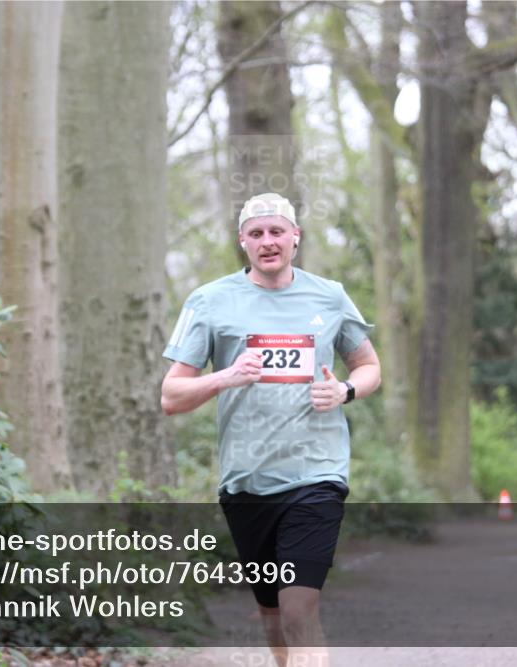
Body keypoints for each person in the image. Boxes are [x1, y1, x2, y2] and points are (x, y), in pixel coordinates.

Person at [160, 192, 381, 666]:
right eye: (256, 234)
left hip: (316, 474)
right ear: (243, 242)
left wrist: (344, 391)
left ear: (295, 238)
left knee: (299, 608)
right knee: (273, 614)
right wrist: (227, 376)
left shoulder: (329, 295)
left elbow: (369, 367)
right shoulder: (210, 301)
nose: (267, 242)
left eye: (277, 231)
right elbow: (170, 396)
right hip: (246, 480)